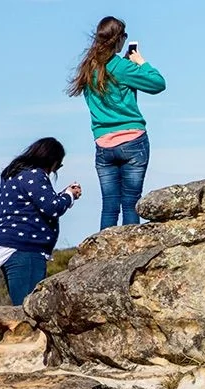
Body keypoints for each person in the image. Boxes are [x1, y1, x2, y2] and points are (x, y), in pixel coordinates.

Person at [67, 14, 166, 229]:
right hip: (133, 140)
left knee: (109, 205)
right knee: (131, 203)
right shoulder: (122, 67)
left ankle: (103, 255)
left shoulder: (87, 69)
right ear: (119, 40)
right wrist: (141, 62)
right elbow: (158, 83)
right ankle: (131, 255)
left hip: (103, 143)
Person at [0, 138, 82, 304]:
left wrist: (63, 194)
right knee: (28, 310)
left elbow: (38, 204)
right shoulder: (35, 175)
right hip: (25, 249)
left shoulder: (14, 174)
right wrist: (69, 195)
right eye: (58, 164)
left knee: (22, 306)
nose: (57, 168)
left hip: (10, 245)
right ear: (51, 159)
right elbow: (52, 208)